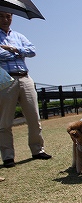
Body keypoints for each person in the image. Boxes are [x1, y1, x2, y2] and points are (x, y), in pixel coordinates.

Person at [0, 12, 51, 168]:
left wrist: (13, 49)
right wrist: (18, 52)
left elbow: (32, 50)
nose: (6, 19)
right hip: (5, 80)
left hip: (25, 77)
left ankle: (38, 150)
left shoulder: (18, 35)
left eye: (8, 16)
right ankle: (8, 156)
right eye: (1, 16)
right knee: (5, 121)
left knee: (34, 117)